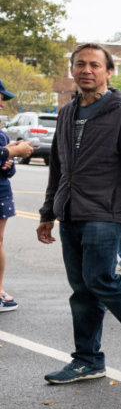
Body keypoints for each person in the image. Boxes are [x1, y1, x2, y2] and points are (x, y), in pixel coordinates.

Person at [36, 44, 121, 384]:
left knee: (99, 278)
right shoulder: (67, 112)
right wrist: (48, 212)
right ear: (72, 70)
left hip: (107, 211)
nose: (86, 70)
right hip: (70, 209)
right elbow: (59, 167)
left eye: (94, 65)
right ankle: (88, 359)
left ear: (108, 72)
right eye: (80, 64)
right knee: (81, 288)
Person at [0, 81, 36, 312]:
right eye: (0, 97)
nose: (2, 103)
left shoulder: (2, 134)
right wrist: (14, 151)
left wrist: (9, 159)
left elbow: (8, 170)